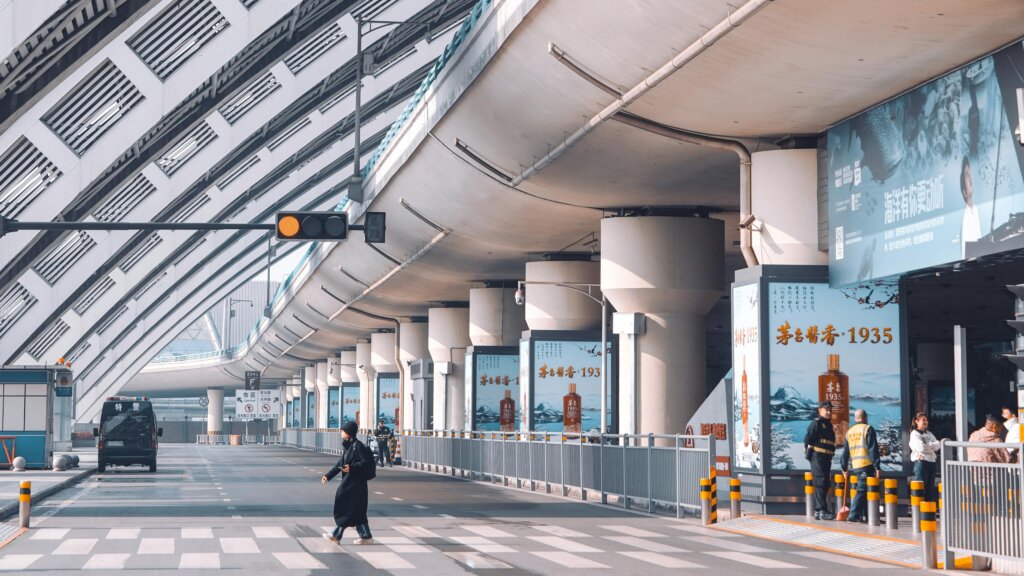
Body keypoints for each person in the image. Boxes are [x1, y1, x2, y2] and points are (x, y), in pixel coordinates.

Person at [322, 420, 375, 545]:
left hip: (356, 485)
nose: (341, 433)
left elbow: (365, 463)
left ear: (349, 432)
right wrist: (328, 476)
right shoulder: (348, 446)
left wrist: (352, 467)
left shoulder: (358, 446)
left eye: (343, 431)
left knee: (347, 508)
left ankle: (336, 534)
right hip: (350, 483)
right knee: (358, 512)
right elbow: (340, 464)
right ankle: (366, 536)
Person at [841, 409, 880, 523]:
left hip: (856, 466)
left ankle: (868, 516)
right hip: (866, 465)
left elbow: (845, 452)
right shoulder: (868, 429)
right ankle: (853, 515)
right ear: (866, 418)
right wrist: (877, 466)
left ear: (855, 418)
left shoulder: (850, 431)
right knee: (862, 491)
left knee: (867, 491)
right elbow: (873, 449)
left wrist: (844, 468)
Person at [803, 401, 836, 520]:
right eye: (826, 409)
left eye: (830, 410)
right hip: (818, 457)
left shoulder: (828, 424)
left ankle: (820, 510)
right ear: (819, 410)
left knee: (824, 483)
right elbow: (808, 440)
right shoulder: (816, 423)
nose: (828, 412)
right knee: (820, 482)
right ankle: (821, 510)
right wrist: (810, 454)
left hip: (826, 458)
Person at [908, 413, 941, 503]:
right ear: (916, 421)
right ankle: (919, 510)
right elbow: (921, 448)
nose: (925, 422)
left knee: (930, 487)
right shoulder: (914, 434)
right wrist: (931, 446)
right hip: (921, 462)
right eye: (923, 420)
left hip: (931, 461)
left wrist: (929, 445)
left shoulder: (929, 433)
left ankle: (928, 509)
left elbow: (938, 445)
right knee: (921, 486)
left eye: (926, 420)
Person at [960, 155, 981, 259]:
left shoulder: (975, 210)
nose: (970, 179)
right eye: (967, 175)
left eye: (970, 174)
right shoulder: (966, 218)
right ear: (964, 192)